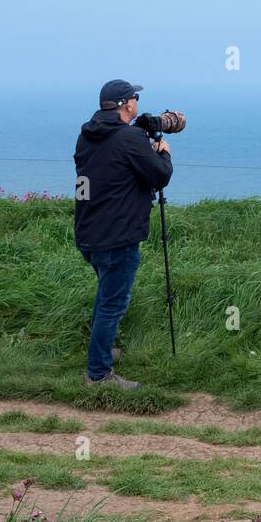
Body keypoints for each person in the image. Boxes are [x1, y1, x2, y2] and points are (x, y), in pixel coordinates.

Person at [73, 79, 172, 389]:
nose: (137, 103)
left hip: (89, 232)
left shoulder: (87, 134)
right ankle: (99, 374)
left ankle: (103, 350)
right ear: (127, 104)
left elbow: (108, 172)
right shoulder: (129, 138)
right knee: (112, 303)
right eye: (135, 98)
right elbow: (160, 175)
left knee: (107, 296)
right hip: (117, 236)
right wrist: (163, 152)